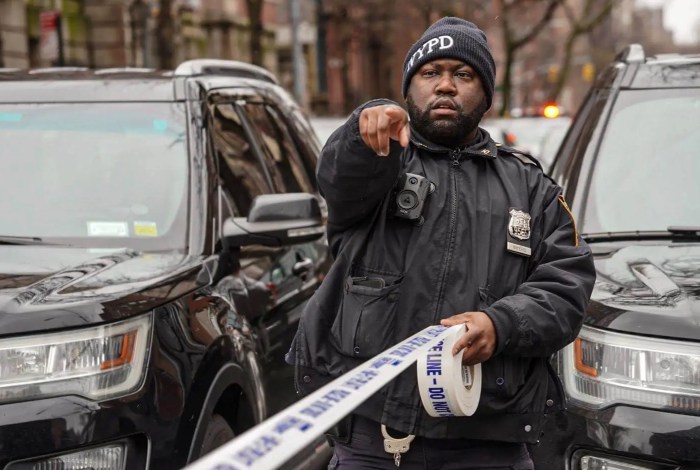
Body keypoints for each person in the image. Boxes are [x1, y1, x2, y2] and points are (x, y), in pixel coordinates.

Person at [286, 16, 596, 469]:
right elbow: (340, 177)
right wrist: (364, 126)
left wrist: (500, 324)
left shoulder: (530, 186)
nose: (446, 86)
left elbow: (567, 287)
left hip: (489, 446)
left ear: (486, 94)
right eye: (430, 73)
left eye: (463, 74)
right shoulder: (380, 158)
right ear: (410, 90)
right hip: (374, 443)